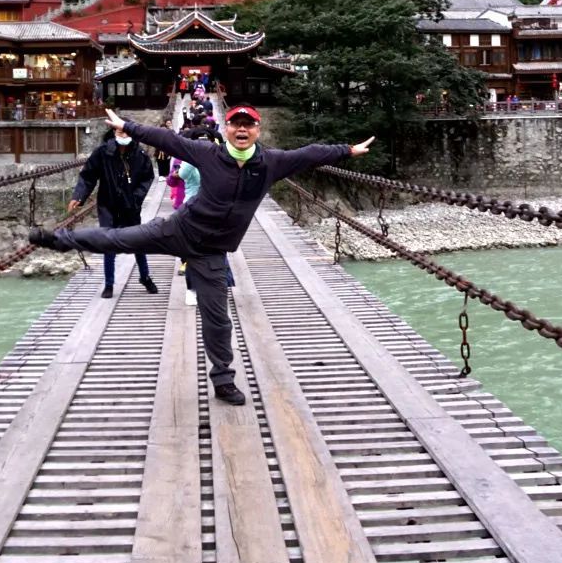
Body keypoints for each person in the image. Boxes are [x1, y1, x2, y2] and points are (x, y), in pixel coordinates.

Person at [30, 105, 374, 404]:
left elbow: (310, 153)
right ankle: (59, 240)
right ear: (226, 128)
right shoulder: (209, 154)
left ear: (257, 130)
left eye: (248, 124)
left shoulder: (270, 163)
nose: (242, 129)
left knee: (218, 318)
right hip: (179, 229)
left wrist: (347, 150)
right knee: (120, 238)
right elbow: (169, 141)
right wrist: (128, 127)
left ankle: (223, 380)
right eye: (236, 124)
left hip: (211, 252)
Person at [65, 122, 159, 299]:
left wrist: (136, 198)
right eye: (119, 132)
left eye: (126, 132)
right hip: (107, 204)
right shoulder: (102, 153)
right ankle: (109, 284)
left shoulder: (140, 155)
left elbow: (147, 178)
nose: (123, 136)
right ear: (114, 132)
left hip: (130, 206)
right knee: (108, 242)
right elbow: (88, 176)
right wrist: (79, 196)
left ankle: (145, 277)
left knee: (138, 242)